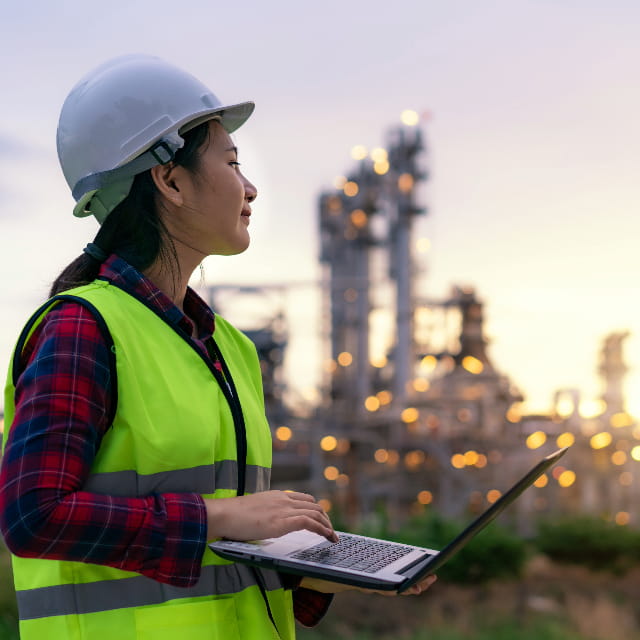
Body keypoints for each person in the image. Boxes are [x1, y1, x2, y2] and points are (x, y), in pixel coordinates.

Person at [0, 54, 436, 640]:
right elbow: (33, 517)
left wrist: (319, 574)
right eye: (232, 162)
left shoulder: (228, 346)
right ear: (171, 180)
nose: (250, 186)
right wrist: (219, 515)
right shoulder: (84, 328)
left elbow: (223, 562)